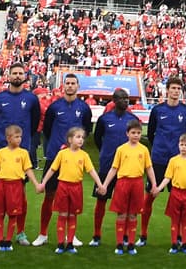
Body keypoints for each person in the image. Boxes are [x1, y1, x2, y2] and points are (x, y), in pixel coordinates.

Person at [0, 63, 40, 245]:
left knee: (20, 195)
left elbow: (34, 124)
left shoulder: (31, 99)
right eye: (14, 73)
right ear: (8, 75)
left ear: (25, 76)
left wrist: (22, 142)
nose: (17, 76)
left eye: (21, 73)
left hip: (21, 152)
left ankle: (20, 233)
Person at [34, 73, 93, 247]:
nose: (70, 86)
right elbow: (47, 129)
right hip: (55, 156)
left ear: (78, 86)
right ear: (63, 85)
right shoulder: (54, 107)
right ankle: (42, 234)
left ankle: (71, 235)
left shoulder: (83, 108)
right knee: (49, 195)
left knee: (72, 199)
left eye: (73, 83)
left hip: (74, 160)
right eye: (67, 83)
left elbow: (87, 128)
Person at [37, 126, 104, 254]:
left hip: (76, 188)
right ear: (70, 139)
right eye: (78, 137)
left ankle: (70, 243)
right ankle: (61, 243)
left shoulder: (84, 155)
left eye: (82, 138)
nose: (81, 140)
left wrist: (100, 184)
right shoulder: (62, 154)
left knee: (72, 215)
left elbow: (91, 171)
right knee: (62, 215)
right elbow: (52, 169)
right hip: (63, 187)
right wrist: (43, 183)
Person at [145, 78, 186, 244]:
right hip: (159, 159)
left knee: (179, 202)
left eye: (178, 88)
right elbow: (151, 132)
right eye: (172, 88)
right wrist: (160, 146)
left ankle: (179, 237)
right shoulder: (158, 110)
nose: (175, 91)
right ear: (167, 90)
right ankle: (143, 235)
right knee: (150, 196)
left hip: (179, 162)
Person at [0, 124, 38, 252]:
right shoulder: (1, 152)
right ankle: (0, 240)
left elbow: (28, 170)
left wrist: (36, 184)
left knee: (13, 214)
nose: (19, 139)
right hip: (2, 185)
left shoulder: (24, 153)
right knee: (0, 213)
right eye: (16, 137)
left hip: (16, 186)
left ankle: (8, 240)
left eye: (20, 136)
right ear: (8, 138)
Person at [97, 120, 157, 255]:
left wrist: (153, 183)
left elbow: (149, 168)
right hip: (123, 183)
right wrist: (105, 185)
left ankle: (130, 244)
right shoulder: (121, 149)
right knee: (122, 214)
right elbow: (114, 168)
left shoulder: (144, 149)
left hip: (137, 183)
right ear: (127, 134)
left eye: (138, 133)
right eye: (133, 133)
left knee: (133, 214)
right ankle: (119, 244)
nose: (136, 135)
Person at [91, 86, 135, 246]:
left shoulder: (132, 119)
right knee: (101, 200)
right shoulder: (104, 119)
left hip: (126, 169)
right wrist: (106, 151)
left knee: (125, 204)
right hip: (106, 166)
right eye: (122, 99)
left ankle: (124, 235)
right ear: (114, 101)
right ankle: (96, 235)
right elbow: (97, 138)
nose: (125, 101)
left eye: (127, 99)